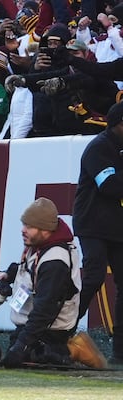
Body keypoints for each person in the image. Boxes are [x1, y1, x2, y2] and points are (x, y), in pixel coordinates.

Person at [0, 198, 107, 369]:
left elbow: (45, 310)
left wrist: (22, 345)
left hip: (52, 326)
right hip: (37, 321)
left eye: (29, 227)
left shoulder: (55, 262)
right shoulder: (40, 243)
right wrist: (9, 274)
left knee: (32, 356)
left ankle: (74, 349)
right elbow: (32, 268)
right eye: (24, 224)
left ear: (46, 230)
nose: (22, 230)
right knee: (16, 352)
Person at [73, 101, 123, 364]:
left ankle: (120, 351)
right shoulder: (98, 147)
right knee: (93, 276)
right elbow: (109, 185)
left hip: (116, 226)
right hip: (91, 223)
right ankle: (61, 332)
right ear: (119, 124)